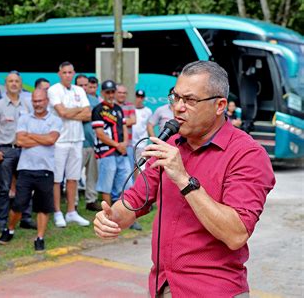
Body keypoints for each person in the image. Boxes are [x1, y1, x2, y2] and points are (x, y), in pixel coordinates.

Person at [93, 61, 275, 297]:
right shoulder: (171, 143)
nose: (178, 108)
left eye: (190, 101)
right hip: (163, 284)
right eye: (175, 98)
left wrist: (183, 179)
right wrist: (112, 218)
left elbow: (236, 234)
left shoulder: (247, 154)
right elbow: (136, 199)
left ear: (220, 105)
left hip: (213, 290)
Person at [0, 89, 62, 251]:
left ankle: (39, 237)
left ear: (46, 101)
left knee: (43, 207)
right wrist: (43, 139)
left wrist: (31, 135)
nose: (37, 104)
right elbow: (20, 141)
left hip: (46, 169)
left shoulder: (55, 120)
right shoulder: (24, 118)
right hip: (26, 169)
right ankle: (10, 229)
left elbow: (51, 139)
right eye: (35, 101)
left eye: (40, 101)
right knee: (18, 204)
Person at [0, 71, 31, 232]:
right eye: (10, 81)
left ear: (20, 84)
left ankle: (26, 218)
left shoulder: (27, 105)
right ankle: (2, 222)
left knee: (25, 186)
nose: (13, 84)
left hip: (25, 151)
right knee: (4, 189)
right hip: (6, 151)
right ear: (6, 84)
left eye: (17, 81)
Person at [48, 62, 91, 227]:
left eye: (70, 72)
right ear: (59, 73)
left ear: (73, 73)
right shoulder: (54, 90)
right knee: (57, 179)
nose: (67, 75)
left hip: (77, 139)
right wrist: (75, 111)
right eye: (64, 72)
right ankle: (58, 212)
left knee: (73, 177)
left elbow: (87, 114)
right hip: (60, 140)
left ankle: (72, 211)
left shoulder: (79, 90)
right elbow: (62, 112)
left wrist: (69, 112)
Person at [91, 80, 131, 206]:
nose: (110, 94)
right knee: (106, 186)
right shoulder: (98, 109)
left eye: (112, 91)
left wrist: (124, 143)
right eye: (107, 92)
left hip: (121, 152)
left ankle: (124, 214)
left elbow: (124, 127)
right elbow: (100, 134)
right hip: (106, 152)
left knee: (126, 184)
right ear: (102, 93)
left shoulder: (118, 108)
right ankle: (107, 216)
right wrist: (117, 145)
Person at [76, 74, 101, 211]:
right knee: (74, 175)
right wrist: (84, 115)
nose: (84, 88)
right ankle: (73, 203)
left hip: (93, 143)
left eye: (86, 85)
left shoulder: (94, 100)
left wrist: (78, 115)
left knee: (92, 175)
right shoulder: (72, 99)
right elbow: (85, 116)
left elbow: (96, 118)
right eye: (81, 85)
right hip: (77, 143)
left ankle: (91, 200)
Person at [115, 84, 136, 169]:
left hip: (128, 145)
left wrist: (116, 121)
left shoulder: (130, 105)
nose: (122, 95)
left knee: (129, 171)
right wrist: (125, 120)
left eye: (124, 93)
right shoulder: (110, 105)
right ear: (115, 93)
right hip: (113, 145)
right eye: (119, 92)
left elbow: (133, 120)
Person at [132, 90, 153, 163]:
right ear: (135, 97)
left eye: (141, 97)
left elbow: (149, 126)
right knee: (130, 165)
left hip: (142, 142)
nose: (139, 99)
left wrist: (153, 139)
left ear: (144, 98)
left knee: (139, 164)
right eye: (138, 97)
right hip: (130, 142)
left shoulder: (148, 111)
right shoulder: (131, 109)